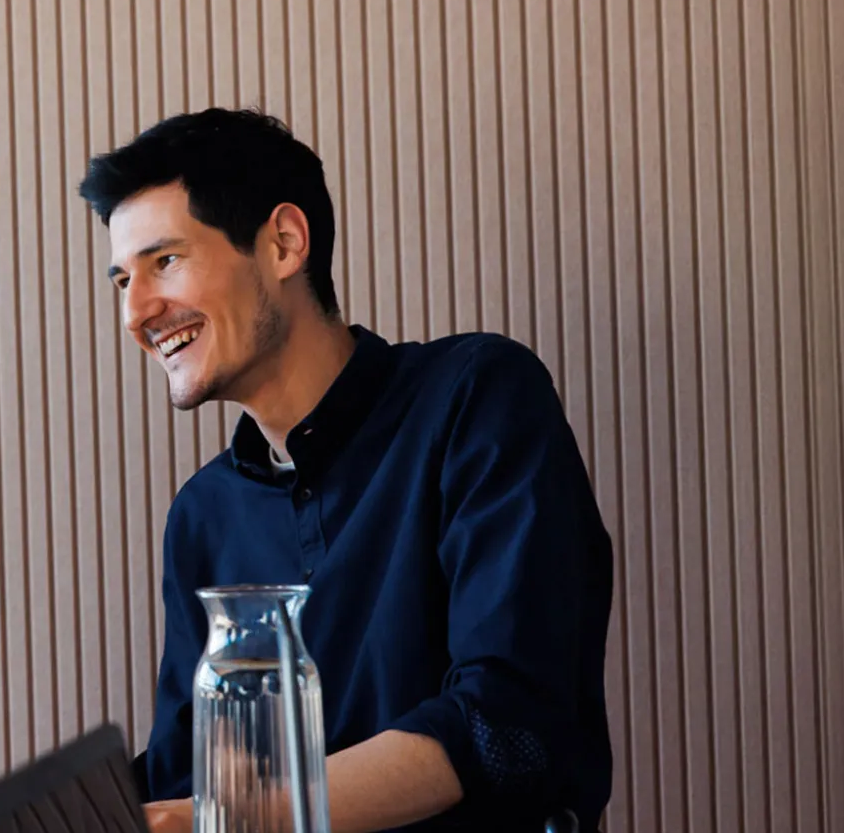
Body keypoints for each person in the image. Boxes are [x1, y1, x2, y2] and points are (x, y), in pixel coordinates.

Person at [78, 108, 614, 832]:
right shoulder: (202, 515)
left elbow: (507, 726)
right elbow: (186, 771)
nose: (135, 312)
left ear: (284, 243)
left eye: (164, 261)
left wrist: (236, 817)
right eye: (121, 280)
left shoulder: (476, 398)